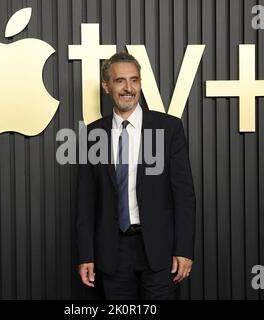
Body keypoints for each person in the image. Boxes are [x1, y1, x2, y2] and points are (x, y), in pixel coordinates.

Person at [76, 52, 196, 300]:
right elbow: (86, 200)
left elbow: (184, 195)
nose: (128, 88)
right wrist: (85, 254)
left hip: (160, 250)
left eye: (134, 80)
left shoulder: (169, 129)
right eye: (120, 81)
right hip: (112, 252)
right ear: (106, 86)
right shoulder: (91, 134)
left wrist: (184, 249)